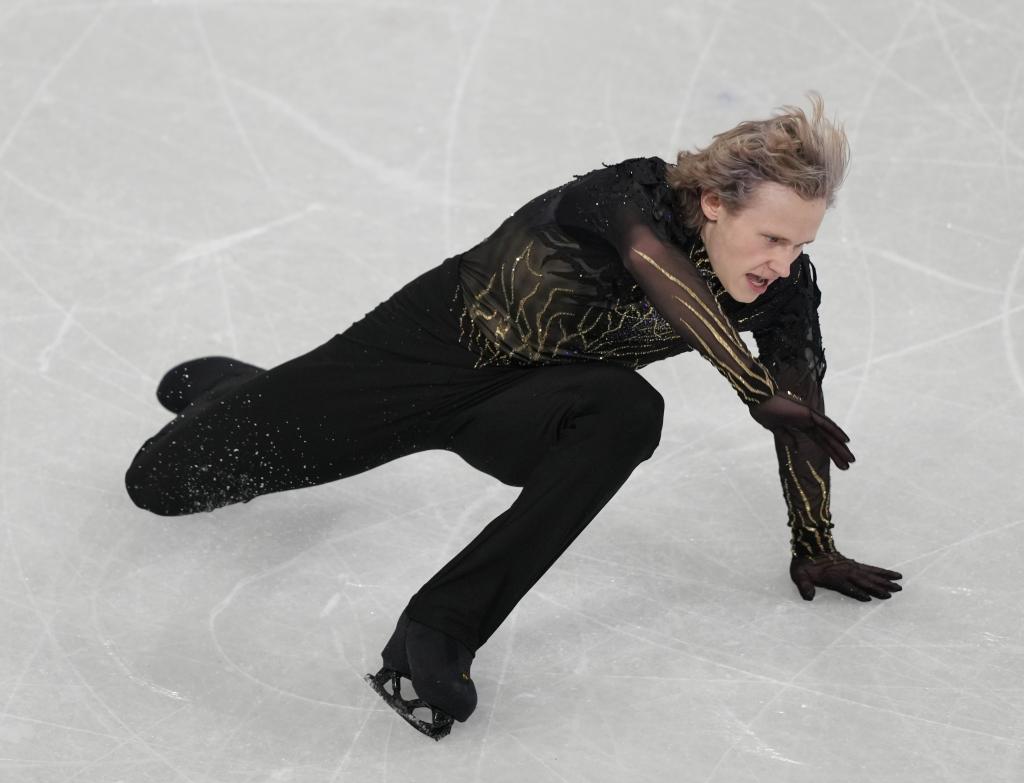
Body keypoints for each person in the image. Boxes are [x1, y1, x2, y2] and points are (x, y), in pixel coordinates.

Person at [125, 93, 903, 740]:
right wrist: (749, 382)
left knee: (627, 411)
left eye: (801, 245)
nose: (783, 263)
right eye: (772, 238)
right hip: (414, 360)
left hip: (522, 408)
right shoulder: (628, 195)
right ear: (712, 204)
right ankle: (238, 397)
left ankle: (440, 628)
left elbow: (803, 416)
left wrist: (814, 543)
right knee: (160, 485)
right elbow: (656, 269)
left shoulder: (782, 292)